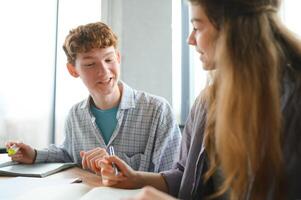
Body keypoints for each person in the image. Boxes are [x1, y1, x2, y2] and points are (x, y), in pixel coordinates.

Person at [96, 0, 301, 199]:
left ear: (232, 30)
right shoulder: (207, 101)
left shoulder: (293, 103)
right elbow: (184, 176)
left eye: (197, 27)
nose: (190, 39)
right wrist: (135, 178)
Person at [6, 22, 182, 174]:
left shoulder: (157, 110)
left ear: (118, 58)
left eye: (109, 59)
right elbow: (68, 154)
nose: (104, 71)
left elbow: (172, 177)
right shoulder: (75, 115)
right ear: (73, 70)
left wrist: (116, 168)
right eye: (90, 64)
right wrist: (35, 155)